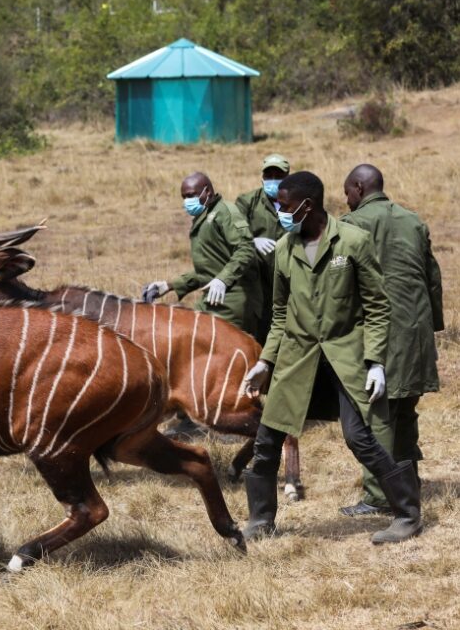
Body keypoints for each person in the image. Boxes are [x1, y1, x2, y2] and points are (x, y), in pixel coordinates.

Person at [242, 171, 422, 545]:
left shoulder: (353, 241)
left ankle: (407, 514)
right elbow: (279, 314)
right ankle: (261, 519)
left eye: (286, 206)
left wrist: (375, 361)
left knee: (360, 438)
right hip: (297, 356)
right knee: (267, 438)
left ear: (308, 206)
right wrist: (265, 363)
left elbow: (377, 307)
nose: (280, 211)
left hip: (345, 356)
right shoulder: (284, 248)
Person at [338, 164, 443, 516]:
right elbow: (432, 276)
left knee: (377, 414)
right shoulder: (413, 220)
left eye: (347, 192)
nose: (345, 199)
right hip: (417, 329)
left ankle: (380, 496)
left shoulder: (352, 225)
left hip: (380, 333)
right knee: (406, 411)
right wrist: (433, 325)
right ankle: (407, 479)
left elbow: (343, 286)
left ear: (359, 187)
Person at [143, 172, 263, 337]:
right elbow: (209, 269)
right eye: (184, 197)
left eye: (191, 195)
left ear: (207, 192)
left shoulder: (225, 212)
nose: (187, 201)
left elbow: (246, 248)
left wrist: (223, 279)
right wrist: (170, 285)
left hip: (234, 300)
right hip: (213, 298)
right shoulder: (204, 218)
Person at [236, 154, 290, 344]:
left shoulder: (296, 201)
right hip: (257, 277)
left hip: (288, 275)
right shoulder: (248, 201)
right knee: (258, 327)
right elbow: (235, 232)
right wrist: (253, 240)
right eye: (269, 175)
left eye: (279, 175)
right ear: (262, 178)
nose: (273, 180)